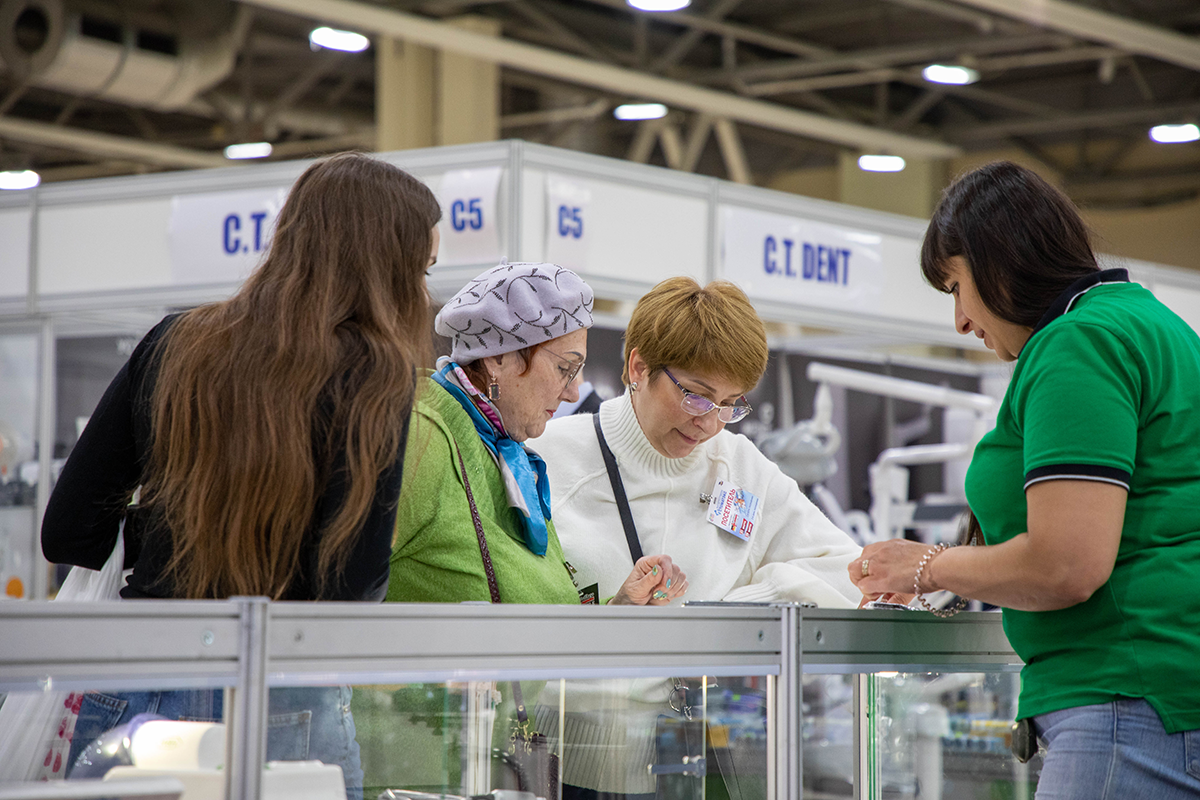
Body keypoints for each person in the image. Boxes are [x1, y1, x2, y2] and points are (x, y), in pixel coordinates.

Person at [41, 152, 442, 798]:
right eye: (421, 270)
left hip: (135, 687)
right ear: (383, 268)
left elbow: (68, 534)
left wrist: (172, 530)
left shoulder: (175, 342)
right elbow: (351, 588)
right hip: (284, 699)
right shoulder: (374, 375)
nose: (424, 294)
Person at [849, 161, 1200, 799]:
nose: (960, 320)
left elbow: (1065, 564)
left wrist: (926, 565)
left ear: (1001, 262)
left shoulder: (1080, 343)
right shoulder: (1150, 325)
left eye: (956, 287)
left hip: (1126, 703)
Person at [528, 277, 862, 800]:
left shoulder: (741, 469)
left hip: (689, 768)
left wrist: (728, 611)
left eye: (730, 403)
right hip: (559, 766)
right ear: (638, 368)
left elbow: (849, 570)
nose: (710, 423)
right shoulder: (551, 458)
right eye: (696, 396)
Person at [386, 261, 683, 605]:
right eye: (564, 368)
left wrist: (619, 608)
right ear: (498, 357)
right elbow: (339, 591)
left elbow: (541, 611)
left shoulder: (510, 454)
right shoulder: (421, 439)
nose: (573, 393)